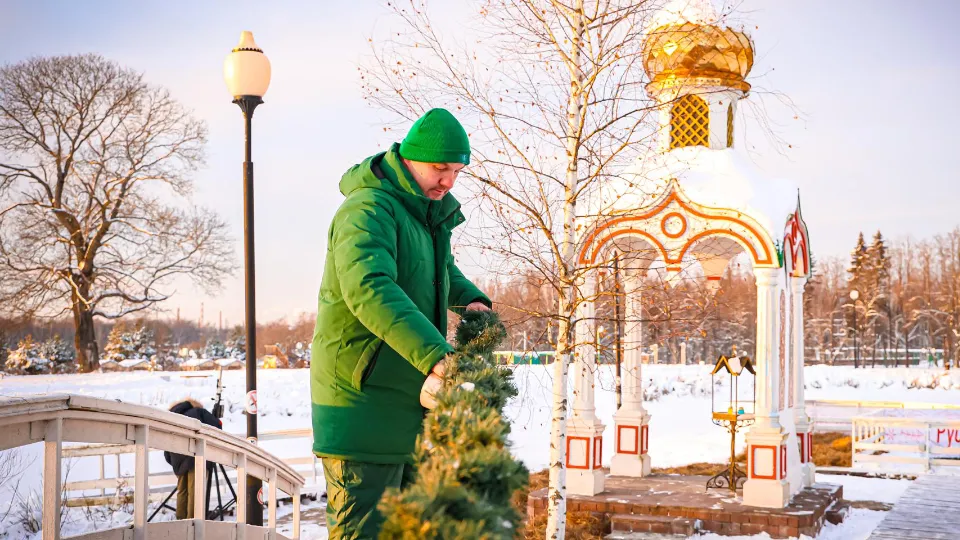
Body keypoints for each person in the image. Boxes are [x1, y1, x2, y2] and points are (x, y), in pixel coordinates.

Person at [310, 108, 491, 539]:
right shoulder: (367, 209)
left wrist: (472, 300)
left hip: (407, 402)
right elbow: (370, 288)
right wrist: (437, 355)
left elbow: (440, 271)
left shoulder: (425, 215)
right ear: (410, 159)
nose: (448, 181)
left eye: (457, 171)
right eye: (440, 168)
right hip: (361, 402)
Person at [163, 398, 222, 520]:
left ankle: (181, 521)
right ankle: (192, 522)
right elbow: (216, 427)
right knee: (195, 491)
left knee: (182, 491)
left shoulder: (171, 417)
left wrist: (174, 461)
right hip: (195, 456)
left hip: (177, 458)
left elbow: (166, 446)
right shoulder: (198, 412)